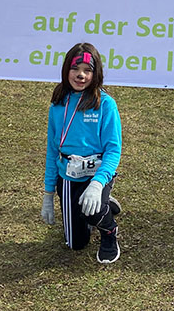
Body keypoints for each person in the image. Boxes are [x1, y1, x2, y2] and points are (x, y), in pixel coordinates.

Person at [40, 43, 123, 264]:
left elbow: (113, 150)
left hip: (98, 175)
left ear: (96, 74)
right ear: (66, 69)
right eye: (75, 69)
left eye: (88, 70)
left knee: (93, 212)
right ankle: (100, 206)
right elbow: (52, 150)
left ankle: (108, 230)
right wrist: (48, 194)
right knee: (76, 244)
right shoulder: (58, 105)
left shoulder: (106, 104)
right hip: (68, 176)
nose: (81, 75)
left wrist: (97, 184)